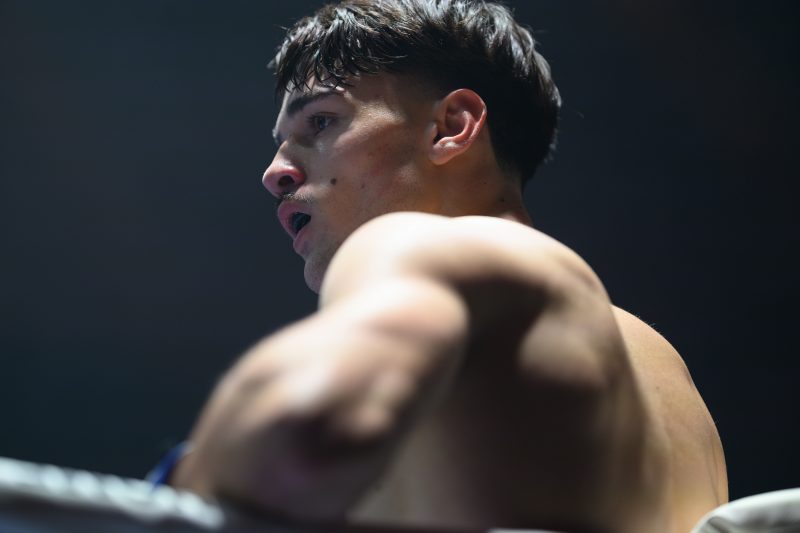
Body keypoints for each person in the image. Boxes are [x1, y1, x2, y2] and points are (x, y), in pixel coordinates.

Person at [170, 1, 727, 532]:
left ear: (451, 126)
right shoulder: (666, 373)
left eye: (320, 122)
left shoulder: (418, 244)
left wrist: (171, 492)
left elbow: (305, 421)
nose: (275, 173)